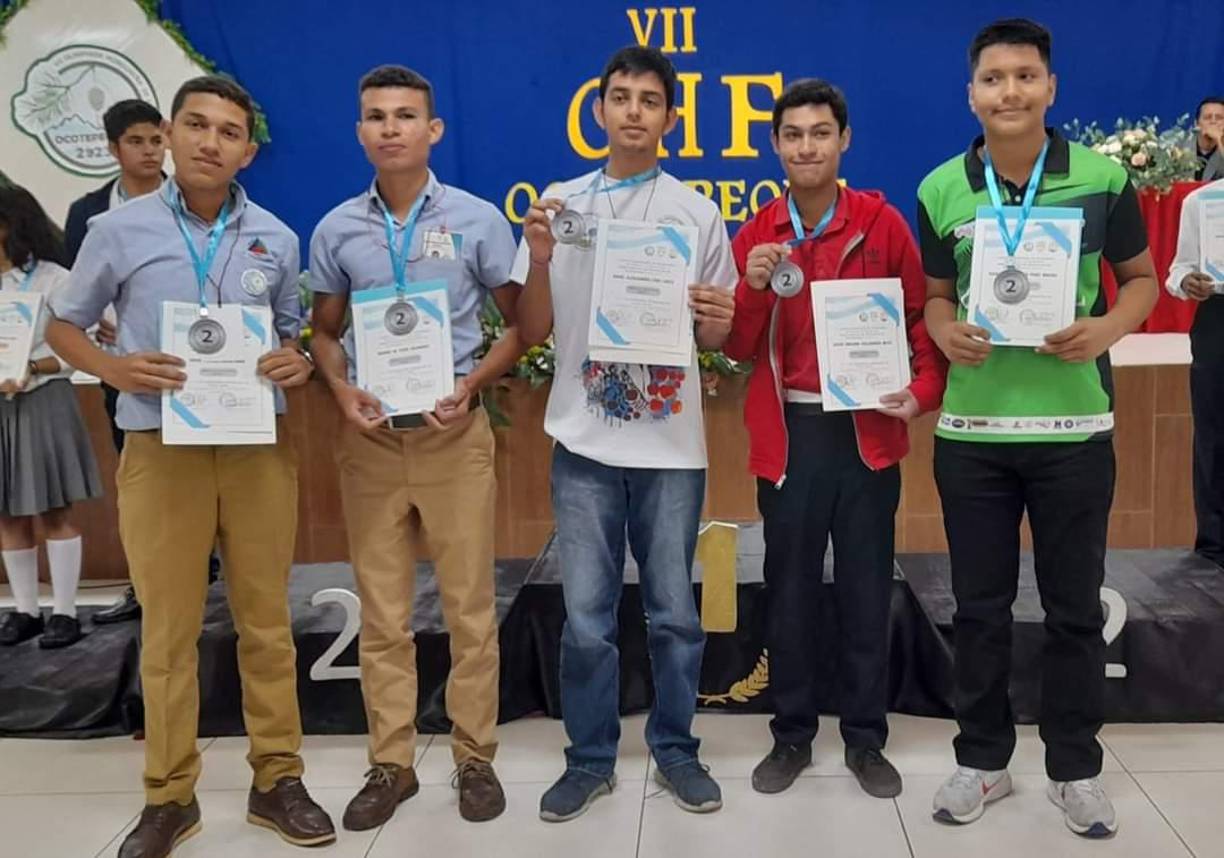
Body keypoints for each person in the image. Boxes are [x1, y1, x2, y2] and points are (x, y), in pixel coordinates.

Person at [46, 75, 335, 858]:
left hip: (255, 450)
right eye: (197, 125)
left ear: (248, 150)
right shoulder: (118, 229)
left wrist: (294, 363)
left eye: (229, 131)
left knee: (267, 625)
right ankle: (169, 796)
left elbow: (289, 339)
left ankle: (278, 779)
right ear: (168, 135)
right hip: (159, 448)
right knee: (168, 632)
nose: (211, 142)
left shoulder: (276, 236)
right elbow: (63, 327)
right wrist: (112, 369)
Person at [917, 18, 1157, 838]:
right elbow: (936, 295)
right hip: (974, 433)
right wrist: (944, 330)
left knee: (1072, 611)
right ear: (972, 93)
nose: (1009, 91)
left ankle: (1075, 769)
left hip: (1073, 428)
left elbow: (1141, 281)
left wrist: (1106, 330)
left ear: (1050, 88)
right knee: (978, 608)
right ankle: (982, 761)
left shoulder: (1102, 179)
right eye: (993, 78)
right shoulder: (942, 186)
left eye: (1025, 76)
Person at [512, 45, 737, 822]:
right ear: (599, 110)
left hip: (672, 450)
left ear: (670, 119)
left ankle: (676, 750)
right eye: (620, 96)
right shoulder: (561, 205)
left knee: (675, 612)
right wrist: (540, 259)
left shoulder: (697, 213)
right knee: (585, 618)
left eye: (650, 99)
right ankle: (590, 758)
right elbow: (533, 326)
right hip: (583, 443)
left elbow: (719, 337)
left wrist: (717, 322)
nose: (634, 110)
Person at [309, 64, 522, 827]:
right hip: (370, 442)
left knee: (469, 608)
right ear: (361, 130)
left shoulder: (476, 219)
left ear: (433, 131)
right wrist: (340, 391)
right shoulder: (336, 228)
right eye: (376, 116)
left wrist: (470, 387)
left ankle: (474, 759)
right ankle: (390, 765)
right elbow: (324, 333)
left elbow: (523, 323)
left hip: (452, 436)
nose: (391, 127)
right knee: (384, 614)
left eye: (406, 115)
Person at [723, 78, 946, 800]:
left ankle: (864, 736)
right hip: (790, 437)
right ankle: (791, 735)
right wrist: (752, 288)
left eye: (821, 132)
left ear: (844, 140)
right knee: (787, 593)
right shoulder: (757, 232)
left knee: (861, 589)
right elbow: (736, 348)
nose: (807, 146)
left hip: (867, 434)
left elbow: (921, 325)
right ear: (775, 144)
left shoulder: (880, 225)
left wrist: (919, 394)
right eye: (793, 134)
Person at [64, 98, 168, 626]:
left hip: (193, 367)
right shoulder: (88, 212)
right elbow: (72, 289)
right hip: (121, 369)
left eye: (155, 139)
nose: (149, 151)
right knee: (138, 478)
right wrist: (97, 327)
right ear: (112, 149)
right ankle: (144, 583)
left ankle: (210, 572)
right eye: (136, 142)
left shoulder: (197, 198)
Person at [0, 185, 103, 650]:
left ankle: (63, 611)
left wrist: (32, 367)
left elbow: (78, 346)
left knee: (55, 508)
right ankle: (25, 611)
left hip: (44, 398)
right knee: (6, 513)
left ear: (8, 225)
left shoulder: (53, 279)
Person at [1167, 172, 1224, 567]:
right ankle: (1215, 549)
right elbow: (1177, 269)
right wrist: (1187, 280)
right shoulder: (1204, 202)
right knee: (1215, 439)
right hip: (1218, 320)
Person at [1181, 97, 1224, 182]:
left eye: (1219, 118)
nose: (1213, 122)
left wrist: (1219, 140)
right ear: (1196, 124)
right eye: (1208, 117)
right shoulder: (1179, 145)